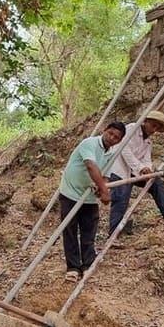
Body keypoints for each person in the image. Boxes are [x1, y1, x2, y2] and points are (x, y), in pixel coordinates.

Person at [58, 121, 125, 282]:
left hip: (88, 197)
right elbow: (90, 165)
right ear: (105, 130)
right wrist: (104, 191)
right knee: (70, 231)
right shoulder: (89, 143)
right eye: (111, 133)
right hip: (71, 193)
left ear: (120, 140)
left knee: (89, 232)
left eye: (117, 137)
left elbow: (105, 175)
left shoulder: (111, 153)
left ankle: (87, 264)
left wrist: (101, 186)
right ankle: (73, 268)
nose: (112, 138)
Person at [108, 111, 164, 235]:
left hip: (134, 171)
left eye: (157, 127)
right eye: (153, 125)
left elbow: (146, 159)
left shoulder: (148, 142)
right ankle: (113, 233)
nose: (154, 130)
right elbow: (124, 151)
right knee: (121, 200)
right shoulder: (130, 129)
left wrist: (148, 170)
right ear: (145, 122)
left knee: (155, 182)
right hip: (119, 169)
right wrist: (141, 168)